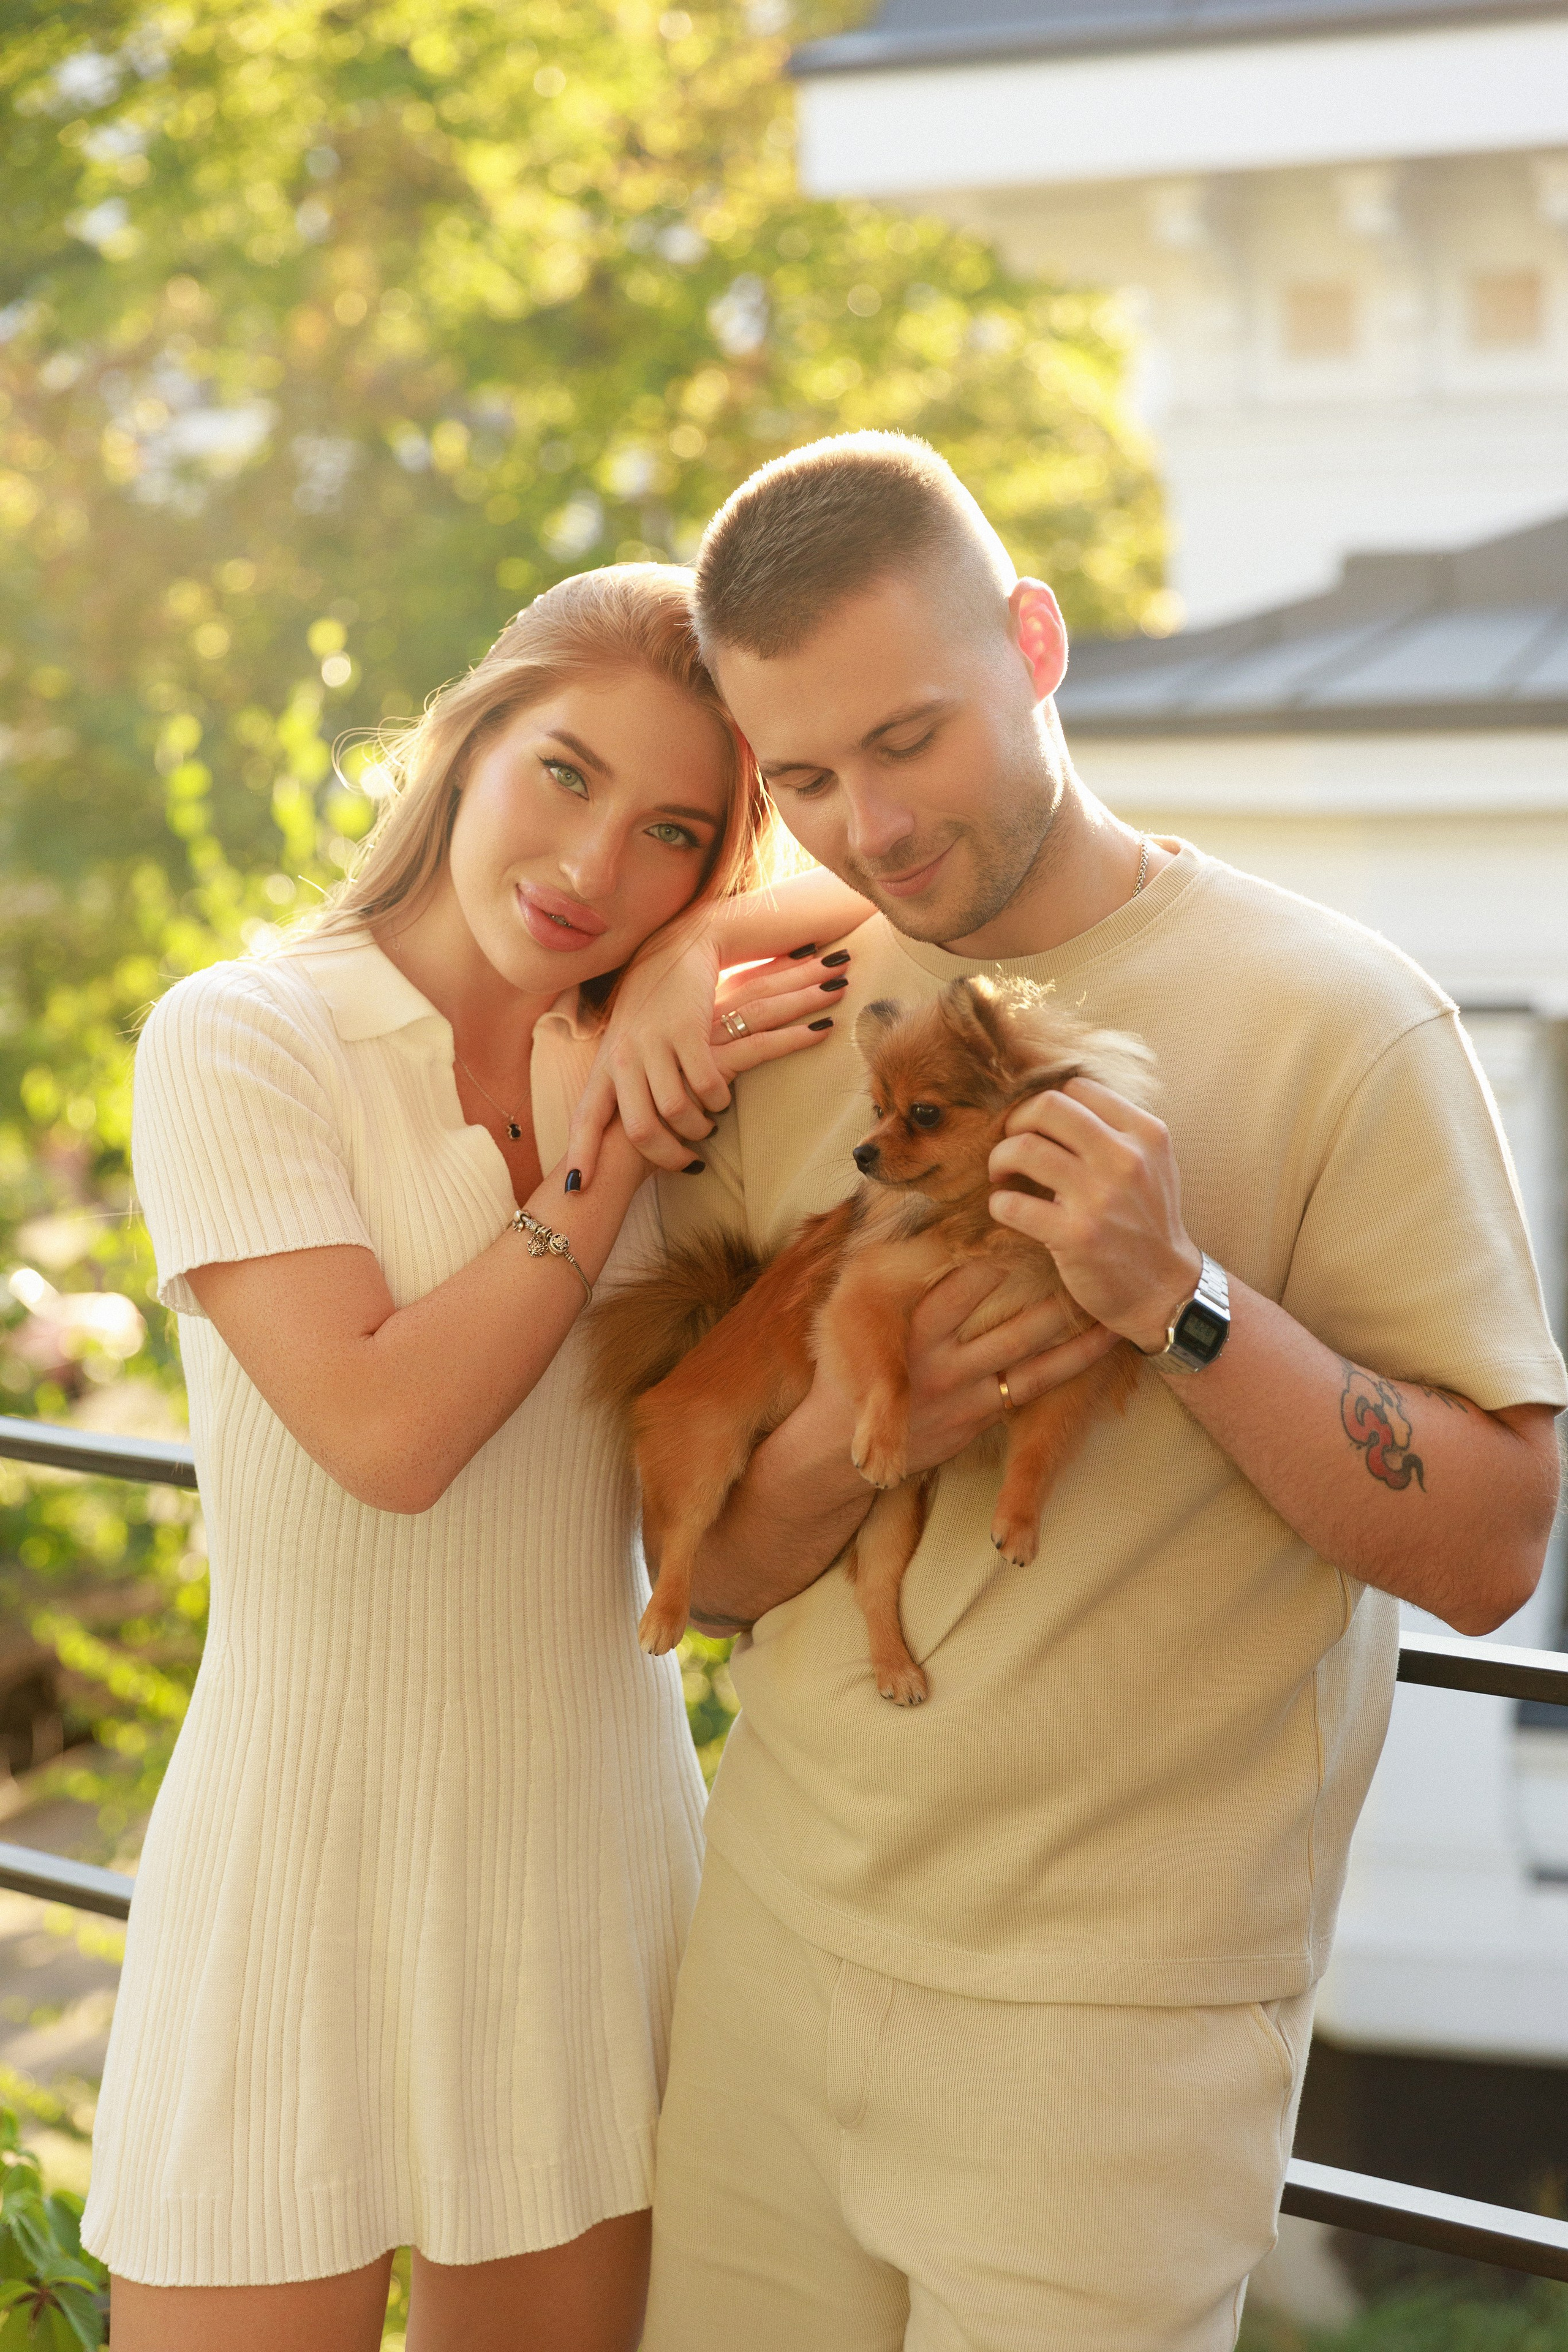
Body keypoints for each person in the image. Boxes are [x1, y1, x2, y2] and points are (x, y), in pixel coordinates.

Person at [573, 438, 1567, 2351]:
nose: (871, 826)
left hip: (1112, 2039)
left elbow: (1490, 1549)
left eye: (910, 738)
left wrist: (1177, 1302)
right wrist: (869, 1431)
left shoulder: (1344, 1025)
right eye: (804, 779)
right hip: (772, 1945)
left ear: (1036, 645)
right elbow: (720, 1579)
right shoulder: (790, 1020)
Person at [83, 564, 873, 2352]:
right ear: (467, 740)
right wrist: (603, 1155)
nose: (594, 865)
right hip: (291, 1873)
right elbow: (388, 1434)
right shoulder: (245, 1036)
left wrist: (696, 958)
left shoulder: (694, 1037)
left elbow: (976, 865)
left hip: (584, 1879)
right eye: (565, 773)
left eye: (675, 834)